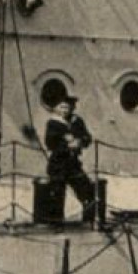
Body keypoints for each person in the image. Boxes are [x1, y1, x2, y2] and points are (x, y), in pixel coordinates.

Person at [44, 96, 97, 225]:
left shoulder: (76, 121)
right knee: (57, 194)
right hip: (58, 164)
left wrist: (79, 142)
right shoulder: (53, 123)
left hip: (73, 164)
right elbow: (50, 143)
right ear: (56, 108)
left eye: (67, 107)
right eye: (61, 107)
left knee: (87, 190)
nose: (64, 110)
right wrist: (66, 145)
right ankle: (56, 223)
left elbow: (87, 137)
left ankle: (89, 221)